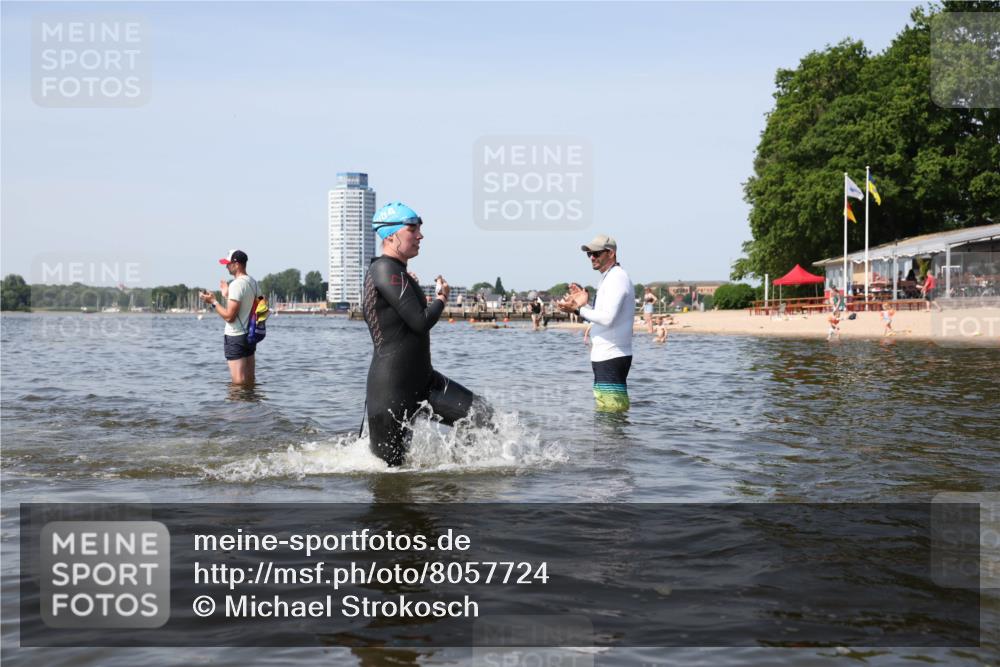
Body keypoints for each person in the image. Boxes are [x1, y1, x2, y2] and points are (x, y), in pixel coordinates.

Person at [362, 202, 492, 466]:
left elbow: (408, 319)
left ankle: (455, 476)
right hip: (391, 390)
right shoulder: (385, 269)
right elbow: (420, 322)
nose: (420, 235)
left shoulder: (396, 273)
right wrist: (443, 298)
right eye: (412, 229)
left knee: (481, 415)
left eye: (420, 228)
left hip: (424, 382)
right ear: (390, 235)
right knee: (391, 477)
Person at [558, 235, 635, 412]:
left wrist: (577, 310)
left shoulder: (617, 278)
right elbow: (604, 313)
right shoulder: (608, 278)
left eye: (596, 253)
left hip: (612, 355)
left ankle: (615, 441)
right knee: (606, 412)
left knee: (612, 414)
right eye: (589, 254)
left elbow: (608, 319)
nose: (592, 257)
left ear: (611, 253)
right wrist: (583, 303)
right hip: (605, 355)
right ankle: (609, 441)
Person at [200, 249, 260, 385]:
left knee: (238, 382)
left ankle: (238, 407)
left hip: (235, 337)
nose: (226, 266)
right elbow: (256, 305)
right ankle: (251, 405)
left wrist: (213, 302)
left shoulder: (236, 284)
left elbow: (229, 317)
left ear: (237, 264)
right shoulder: (253, 282)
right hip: (250, 336)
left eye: (228, 263)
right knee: (250, 380)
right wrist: (227, 295)